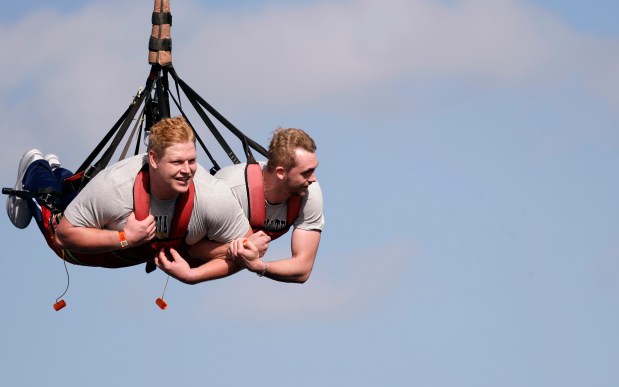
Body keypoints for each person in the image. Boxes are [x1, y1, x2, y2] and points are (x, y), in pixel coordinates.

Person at [6, 116, 261, 280]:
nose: (187, 170)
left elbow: (248, 251)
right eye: (176, 162)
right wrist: (124, 238)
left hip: (118, 233)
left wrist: (193, 275)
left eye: (191, 161)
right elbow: (64, 236)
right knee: (53, 208)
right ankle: (35, 165)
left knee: (75, 191)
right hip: (87, 249)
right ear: (153, 159)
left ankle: (57, 169)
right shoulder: (117, 186)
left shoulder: (212, 195)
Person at [155, 127, 324, 283]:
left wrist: (258, 265)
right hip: (177, 248)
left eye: (313, 169)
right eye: (306, 172)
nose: (314, 179)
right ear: (280, 172)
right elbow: (191, 248)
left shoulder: (308, 192)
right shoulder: (229, 189)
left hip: (225, 259)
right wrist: (240, 249)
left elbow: (302, 269)